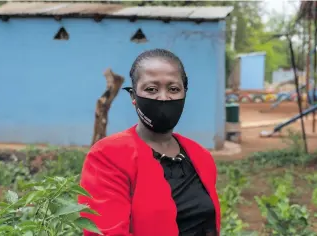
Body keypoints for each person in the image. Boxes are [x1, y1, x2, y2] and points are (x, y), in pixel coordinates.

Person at [78, 49, 220, 236]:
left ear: (185, 94)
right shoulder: (108, 156)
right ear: (133, 97)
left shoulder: (200, 156)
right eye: (151, 89)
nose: (163, 97)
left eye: (173, 89)